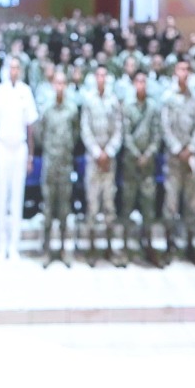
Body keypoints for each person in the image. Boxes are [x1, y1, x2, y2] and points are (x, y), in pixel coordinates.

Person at [0, 55, 39, 261]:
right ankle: (1, 246)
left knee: (18, 198)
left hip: (20, 148)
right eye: (11, 67)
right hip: (2, 147)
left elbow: (30, 126)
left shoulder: (26, 91)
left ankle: (14, 247)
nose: (14, 71)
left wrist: (30, 156)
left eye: (17, 67)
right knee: (1, 198)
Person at [161, 58, 195, 266]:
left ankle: (190, 244)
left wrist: (191, 148)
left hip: (190, 157)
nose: (184, 72)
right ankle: (169, 244)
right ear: (174, 72)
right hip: (174, 157)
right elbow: (165, 127)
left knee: (192, 203)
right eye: (180, 69)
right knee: (171, 203)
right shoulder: (168, 98)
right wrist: (178, 148)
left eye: (187, 69)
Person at [81, 64, 124, 265]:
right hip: (94, 159)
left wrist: (109, 151)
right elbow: (85, 129)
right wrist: (97, 152)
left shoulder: (113, 101)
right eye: (98, 75)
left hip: (109, 160)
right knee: (92, 203)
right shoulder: (88, 101)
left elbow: (118, 129)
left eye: (104, 75)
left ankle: (108, 247)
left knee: (109, 203)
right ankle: (91, 248)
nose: (101, 78)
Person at [37, 71, 79, 267]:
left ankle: (63, 249)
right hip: (50, 164)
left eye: (63, 83)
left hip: (65, 164)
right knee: (47, 209)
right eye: (57, 83)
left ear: (67, 86)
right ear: (53, 85)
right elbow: (39, 134)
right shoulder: (46, 109)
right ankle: (46, 250)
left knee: (64, 209)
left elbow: (75, 133)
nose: (60, 87)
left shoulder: (72, 109)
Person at [121, 70, 162, 267]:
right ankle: (126, 247)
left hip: (148, 166)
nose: (141, 84)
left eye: (144, 81)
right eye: (138, 81)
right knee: (127, 206)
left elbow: (157, 135)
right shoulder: (127, 107)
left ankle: (148, 246)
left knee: (148, 208)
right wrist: (137, 154)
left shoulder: (153, 107)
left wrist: (148, 154)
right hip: (131, 164)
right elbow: (126, 135)